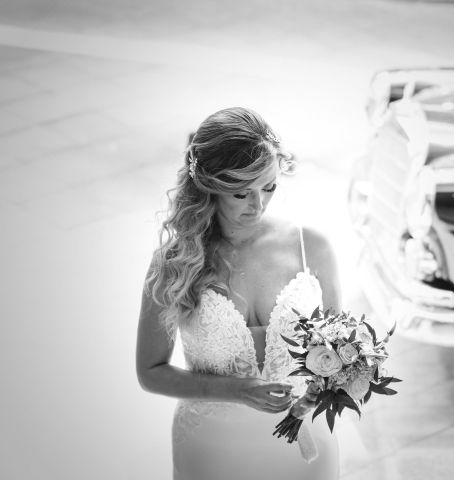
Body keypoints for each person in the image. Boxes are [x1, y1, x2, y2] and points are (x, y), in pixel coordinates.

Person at [136, 107, 341, 480]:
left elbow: (340, 353)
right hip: (213, 452)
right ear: (208, 188)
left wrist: (331, 385)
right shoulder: (175, 263)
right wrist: (235, 389)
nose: (258, 205)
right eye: (241, 193)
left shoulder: (312, 248)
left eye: (269, 187)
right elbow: (150, 372)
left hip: (304, 452)